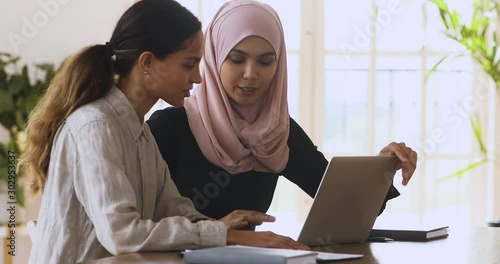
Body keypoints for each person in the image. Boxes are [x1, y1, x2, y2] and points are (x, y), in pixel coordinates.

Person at [21, 1, 307, 263]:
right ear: (147, 63)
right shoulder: (95, 127)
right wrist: (229, 235)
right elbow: (121, 234)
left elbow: (175, 208)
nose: (197, 77)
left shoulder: (140, 131)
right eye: (189, 64)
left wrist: (223, 228)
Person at [147, 0, 418, 228]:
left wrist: (381, 169)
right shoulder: (169, 128)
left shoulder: (274, 131)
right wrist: (216, 231)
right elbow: (138, 225)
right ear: (214, 57)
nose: (251, 74)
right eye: (237, 59)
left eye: (266, 61)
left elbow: (346, 207)